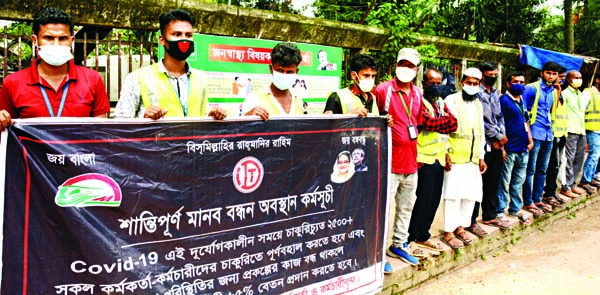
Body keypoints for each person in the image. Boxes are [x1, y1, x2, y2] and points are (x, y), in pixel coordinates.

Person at [0, 7, 110, 131]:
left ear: (71, 40)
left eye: (62, 38)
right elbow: (6, 133)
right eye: (48, 38)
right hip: (31, 151)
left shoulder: (92, 79)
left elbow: (102, 131)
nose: (56, 44)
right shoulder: (12, 83)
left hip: (80, 151)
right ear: (35, 41)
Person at [115, 9, 226, 120]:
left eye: (188, 35)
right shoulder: (137, 78)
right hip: (155, 137)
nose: (184, 39)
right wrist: (144, 121)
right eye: (177, 34)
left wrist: (211, 118)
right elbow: (120, 126)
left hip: (193, 138)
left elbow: (200, 117)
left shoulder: (201, 78)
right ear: (162, 40)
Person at [373, 47, 423, 267]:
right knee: (384, 209)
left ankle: (399, 244)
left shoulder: (418, 94)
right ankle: (378, 253)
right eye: (402, 63)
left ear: (417, 69)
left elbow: (417, 124)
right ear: (395, 65)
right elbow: (372, 119)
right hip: (388, 163)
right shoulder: (383, 90)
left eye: (410, 65)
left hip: (411, 162)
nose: (406, 68)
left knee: (406, 207)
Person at [407, 68, 457, 255]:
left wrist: (442, 122)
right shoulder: (420, 102)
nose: (435, 86)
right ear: (424, 83)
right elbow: (428, 123)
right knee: (423, 199)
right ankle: (411, 237)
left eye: (438, 83)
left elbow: (454, 124)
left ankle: (424, 234)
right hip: (423, 160)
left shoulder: (441, 103)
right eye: (432, 83)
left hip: (439, 159)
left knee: (434, 200)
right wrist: (442, 122)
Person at [441, 68, 487, 249]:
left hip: (473, 158)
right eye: (469, 83)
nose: (472, 86)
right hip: (455, 156)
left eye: (476, 84)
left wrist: (482, 156)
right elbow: (444, 128)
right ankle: (448, 231)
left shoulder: (479, 104)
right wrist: (444, 152)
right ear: (462, 82)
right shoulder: (450, 100)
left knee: (469, 194)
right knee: (452, 195)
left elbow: (480, 132)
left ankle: (460, 227)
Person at [472, 61, 509, 232]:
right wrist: (498, 137)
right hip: (483, 144)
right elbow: (481, 121)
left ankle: (489, 215)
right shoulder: (476, 93)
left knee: (493, 182)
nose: (492, 77)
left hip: (497, 145)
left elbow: (499, 117)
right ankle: (471, 220)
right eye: (489, 74)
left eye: (495, 75)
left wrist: (501, 143)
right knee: (478, 183)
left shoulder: (495, 93)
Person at [521, 61, 561, 217]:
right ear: (542, 73)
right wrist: (527, 134)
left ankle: (537, 199)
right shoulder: (532, 88)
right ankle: (528, 201)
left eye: (554, 74)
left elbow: (551, 112)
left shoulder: (553, 92)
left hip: (548, 134)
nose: (551, 76)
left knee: (542, 169)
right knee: (530, 169)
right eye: (548, 73)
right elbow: (523, 111)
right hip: (534, 133)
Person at [496, 72, 533, 225]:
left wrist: (530, 140)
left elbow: (526, 121)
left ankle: (515, 208)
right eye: (516, 81)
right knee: (504, 182)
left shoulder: (522, 100)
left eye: (522, 81)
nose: (519, 84)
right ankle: (500, 211)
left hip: (523, 148)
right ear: (508, 84)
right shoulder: (503, 101)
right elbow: (499, 124)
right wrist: (503, 149)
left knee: (518, 181)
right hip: (509, 148)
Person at [323, 54, 393, 126]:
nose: (370, 79)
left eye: (373, 76)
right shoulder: (336, 97)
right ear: (354, 75)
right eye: (366, 75)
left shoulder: (373, 97)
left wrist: (385, 122)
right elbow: (325, 127)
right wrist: (350, 115)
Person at [242, 42, 304, 120]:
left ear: (296, 71)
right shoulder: (254, 99)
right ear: (271, 69)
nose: (284, 75)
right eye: (280, 70)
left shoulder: (298, 100)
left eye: (289, 72)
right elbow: (241, 129)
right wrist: (249, 116)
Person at [562, 70, 595, 195]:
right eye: (576, 77)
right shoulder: (565, 94)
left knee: (579, 158)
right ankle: (566, 186)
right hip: (570, 130)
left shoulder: (580, 94)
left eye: (580, 77)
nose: (579, 80)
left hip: (581, 129)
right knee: (569, 159)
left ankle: (573, 183)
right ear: (569, 79)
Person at [542, 66, 569, 208]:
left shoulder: (560, 92)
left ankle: (552, 191)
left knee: (557, 164)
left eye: (562, 77)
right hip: (552, 133)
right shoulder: (550, 93)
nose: (561, 79)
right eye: (560, 77)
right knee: (551, 164)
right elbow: (551, 109)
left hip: (561, 133)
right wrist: (557, 91)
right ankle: (548, 193)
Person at [580, 74, 600, 190]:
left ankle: (592, 177)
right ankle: (586, 180)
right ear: (597, 80)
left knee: (597, 155)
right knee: (594, 154)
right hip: (592, 128)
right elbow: (581, 110)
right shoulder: (588, 93)